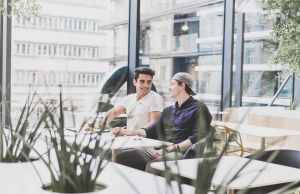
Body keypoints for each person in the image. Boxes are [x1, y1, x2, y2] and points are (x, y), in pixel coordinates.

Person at [112, 72, 214, 171]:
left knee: (153, 165)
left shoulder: (199, 108)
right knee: (122, 156)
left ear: (182, 85)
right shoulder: (169, 110)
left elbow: (197, 137)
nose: (170, 88)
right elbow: (152, 130)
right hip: (162, 149)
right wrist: (128, 132)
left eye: (172, 84)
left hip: (181, 153)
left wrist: (169, 149)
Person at [103, 67, 163, 131]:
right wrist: (103, 125)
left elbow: (154, 123)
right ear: (135, 82)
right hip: (129, 138)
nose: (146, 85)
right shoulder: (130, 98)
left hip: (145, 139)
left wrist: (133, 133)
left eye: (149, 82)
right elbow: (114, 112)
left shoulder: (156, 98)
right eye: (142, 81)